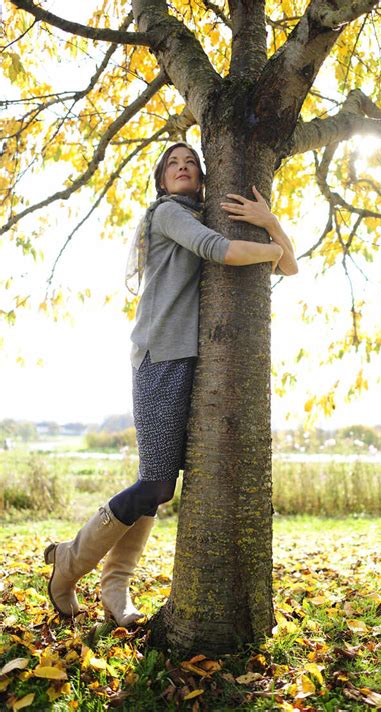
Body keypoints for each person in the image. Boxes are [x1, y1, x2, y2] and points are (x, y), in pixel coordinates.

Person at [44, 142, 298, 626]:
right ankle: (68, 562)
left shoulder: (199, 213)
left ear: (203, 179)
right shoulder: (167, 214)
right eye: (172, 165)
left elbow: (291, 267)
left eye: (191, 164)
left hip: (184, 360)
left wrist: (269, 221)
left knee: (155, 483)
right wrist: (272, 244)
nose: (182, 169)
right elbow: (217, 250)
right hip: (160, 356)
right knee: (158, 484)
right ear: (162, 181)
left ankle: (115, 587)